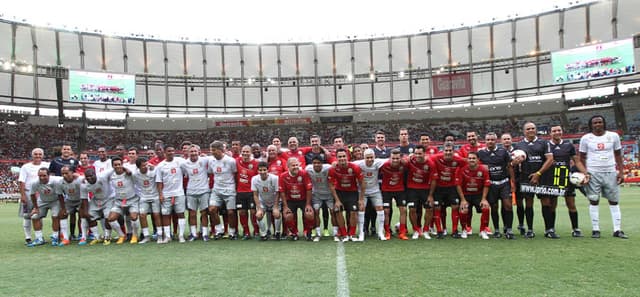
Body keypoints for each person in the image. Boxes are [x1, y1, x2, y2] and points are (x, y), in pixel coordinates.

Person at [579, 115, 628, 239]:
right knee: (594, 200)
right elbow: (582, 158)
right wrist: (585, 173)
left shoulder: (613, 136)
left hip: (610, 171)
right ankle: (596, 229)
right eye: (595, 123)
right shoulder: (586, 138)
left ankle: (617, 230)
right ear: (591, 125)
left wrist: (621, 172)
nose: (597, 124)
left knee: (614, 201)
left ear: (604, 123)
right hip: (593, 172)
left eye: (600, 122)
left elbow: (618, 155)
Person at [512, 122, 555, 239]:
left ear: (536, 130)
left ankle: (549, 230)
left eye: (533, 128)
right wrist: (514, 162)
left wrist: (538, 173)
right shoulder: (519, 145)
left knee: (546, 202)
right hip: (526, 178)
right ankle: (530, 230)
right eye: (528, 129)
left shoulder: (543, 142)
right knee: (528, 203)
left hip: (542, 177)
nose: (531, 130)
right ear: (524, 131)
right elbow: (513, 162)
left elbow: (550, 159)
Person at [546, 125, 589, 238]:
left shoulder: (568, 145)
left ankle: (575, 229)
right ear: (550, 133)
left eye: (559, 130)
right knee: (552, 205)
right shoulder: (547, 146)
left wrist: (585, 173)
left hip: (566, 178)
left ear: (562, 132)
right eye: (554, 131)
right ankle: (551, 229)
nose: (557, 132)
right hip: (552, 179)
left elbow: (577, 161)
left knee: (571, 204)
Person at [477, 132, 517, 239]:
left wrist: (512, 182)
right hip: (491, 185)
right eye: (488, 140)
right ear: (485, 141)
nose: (490, 142)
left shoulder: (503, 151)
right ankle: (497, 230)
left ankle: (509, 230)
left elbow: (509, 167)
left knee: (508, 205)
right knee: (494, 208)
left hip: (504, 182)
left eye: (492, 140)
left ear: (496, 141)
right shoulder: (481, 153)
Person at [427, 143, 467, 239]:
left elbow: (469, 163)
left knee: (455, 207)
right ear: (443, 151)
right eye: (446, 150)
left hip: (452, 187)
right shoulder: (436, 158)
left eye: (450, 151)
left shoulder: (458, 160)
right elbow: (426, 159)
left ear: (454, 152)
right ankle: (439, 231)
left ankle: (454, 230)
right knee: (437, 208)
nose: (448, 152)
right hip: (438, 188)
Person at [328, 149, 365, 242]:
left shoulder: (355, 167)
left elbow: (362, 183)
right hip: (339, 192)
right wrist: (337, 200)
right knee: (338, 211)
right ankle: (344, 234)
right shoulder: (333, 169)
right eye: (340, 157)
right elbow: (331, 185)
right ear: (336, 158)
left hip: (352, 193)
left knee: (353, 212)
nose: (342, 158)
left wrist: (361, 199)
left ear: (347, 157)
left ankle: (351, 234)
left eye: (344, 156)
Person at [455, 152, 492, 239]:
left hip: (478, 195)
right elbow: (458, 185)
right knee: (463, 209)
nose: (471, 160)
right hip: (466, 195)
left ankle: (482, 230)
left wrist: (483, 199)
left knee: (486, 207)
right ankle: (464, 229)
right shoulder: (462, 169)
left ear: (478, 160)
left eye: (474, 158)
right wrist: (463, 200)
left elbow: (486, 185)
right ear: (467, 160)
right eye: (470, 158)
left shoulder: (483, 170)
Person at [352, 149, 386, 241]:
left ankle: (380, 233)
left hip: (375, 190)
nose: (370, 159)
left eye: (371, 157)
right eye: (368, 157)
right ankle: (361, 233)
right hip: (362, 191)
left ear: (374, 157)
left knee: (380, 208)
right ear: (364, 158)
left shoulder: (378, 162)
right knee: (361, 209)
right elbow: (348, 164)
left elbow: (390, 159)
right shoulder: (358, 164)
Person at [104, 157, 139, 244]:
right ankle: (121, 235)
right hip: (119, 201)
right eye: (115, 165)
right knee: (111, 219)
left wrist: (127, 170)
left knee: (134, 217)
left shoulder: (129, 173)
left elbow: (136, 177)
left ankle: (135, 235)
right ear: (112, 166)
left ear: (122, 165)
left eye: (119, 164)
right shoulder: (111, 175)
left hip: (132, 200)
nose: (117, 166)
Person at [155, 147, 187, 243]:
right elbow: (159, 181)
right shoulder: (160, 166)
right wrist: (160, 194)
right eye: (169, 151)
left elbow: (189, 166)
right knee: (165, 215)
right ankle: (168, 236)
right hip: (166, 194)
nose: (171, 153)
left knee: (181, 214)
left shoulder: (180, 162)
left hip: (179, 193)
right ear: (165, 153)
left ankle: (181, 235)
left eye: (173, 151)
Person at [18, 148, 50, 245]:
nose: (38, 156)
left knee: (38, 216)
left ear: (43, 155)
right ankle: (28, 237)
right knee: (27, 216)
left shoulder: (47, 165)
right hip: (28, 194)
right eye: (35, 154)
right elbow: (21, 181)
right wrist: (23, 195)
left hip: (42, 193)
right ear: (32, 155)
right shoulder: (25, 167)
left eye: (40, 154)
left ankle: (39, 237)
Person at [207, 141, 238, 240]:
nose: (212, 152)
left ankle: (232, 232)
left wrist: (236, 189)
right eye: (211, 150)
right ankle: (219, 230)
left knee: (231, 212)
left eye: (214, 150)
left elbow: (235, 174)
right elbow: (211, 173)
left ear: (221, 150)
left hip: (229, 190)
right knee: (212, 209)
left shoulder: (231, 161)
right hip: (217, 190)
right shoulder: (211, 161)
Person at [180, 144, 211, 241]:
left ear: (199, 152)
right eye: (191, 151)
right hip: (191, 191)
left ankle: (205, 233)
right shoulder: (184, 164)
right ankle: (193, 234)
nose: (193, 153)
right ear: (188, 153)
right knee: (192, 213)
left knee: (204, 213)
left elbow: (216, 158)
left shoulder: (205, 160)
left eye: (195, 151)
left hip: (204, 191)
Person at [27, 168, 64, 247]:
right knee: (34, 217)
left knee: (55, 216)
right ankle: (39, 238)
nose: (42, 178)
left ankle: (55, 237)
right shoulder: (35, 183)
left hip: (55, 201)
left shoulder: (56, 181)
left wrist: (63, 208)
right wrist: (36, 208)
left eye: (44, 176)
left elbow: (60, 195)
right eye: (40, 176)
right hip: (42, 200)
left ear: (49, 175)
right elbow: (32, 195)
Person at [279, 157, 314, 241]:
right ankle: (294, 233)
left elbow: (309, 189)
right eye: (293, 165)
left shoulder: (304, 174)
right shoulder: (283, 176)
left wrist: (308, 204)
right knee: (288, 216)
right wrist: (285, 206)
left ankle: (307, 232)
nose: (295, 167)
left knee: (309, 214)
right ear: (288, 167)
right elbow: (282, 192)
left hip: (303, 199)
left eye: (296, 165)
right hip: (290, 200)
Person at [305, 156, 336, 241]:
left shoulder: (328, 168)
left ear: (322, 163)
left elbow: (335, 166)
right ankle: (318, 234)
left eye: (318, 163)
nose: (316, 165)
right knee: (316, 212)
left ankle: (335, 234)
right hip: (317, 194)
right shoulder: (308, 169)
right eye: (314, 163)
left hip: (329, 194)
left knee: (333, 212)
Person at [132, 157, 161, 244]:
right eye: (143, 165)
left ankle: (160, 235)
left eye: (146, 164)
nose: (145, 167)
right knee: (142, 215)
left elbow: (159, 177)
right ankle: (146, 236)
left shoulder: (153, 171)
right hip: (144, 197)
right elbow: (134, 184)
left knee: (156, 215)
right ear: (138, 167)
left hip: (155, 196)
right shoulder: (135, 174)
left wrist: (154, 167)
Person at [252, 162, 282, 240]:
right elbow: (255, 195)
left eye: (264, 170)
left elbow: (278, 193)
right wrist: (259, 208)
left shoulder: (275, 178)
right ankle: (264, 234)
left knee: (277, 214)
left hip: (274, 201)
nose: (262, 172)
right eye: (260, 170)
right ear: (257, 171)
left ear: (268, 170)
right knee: (258, 215)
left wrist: (275, 207)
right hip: (263, 202)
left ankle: (277, 233)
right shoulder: (254, 179)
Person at [235, 145, 259, 239]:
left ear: (251, 153)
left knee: (253, 212)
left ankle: (256, 231)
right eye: (243, 152)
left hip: (251, 192)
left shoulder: (255, 163)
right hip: (240, 192)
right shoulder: (237, 161)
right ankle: (246, 232)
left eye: (247, 152)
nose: (245, 153)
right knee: (242, 212)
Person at [57, 165, 84, 245]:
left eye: (66, 173)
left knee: (83, 215)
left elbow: (85, 191)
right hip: (69, 201)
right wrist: (63, 208)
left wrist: (83, 206)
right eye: (62, 173)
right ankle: (65, 238)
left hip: (81, 199)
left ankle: (83, 236)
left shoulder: (79, 180)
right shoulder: (60, 182)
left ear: (72, 173)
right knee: (62, 215)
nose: (64, 175)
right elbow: (60, 195)